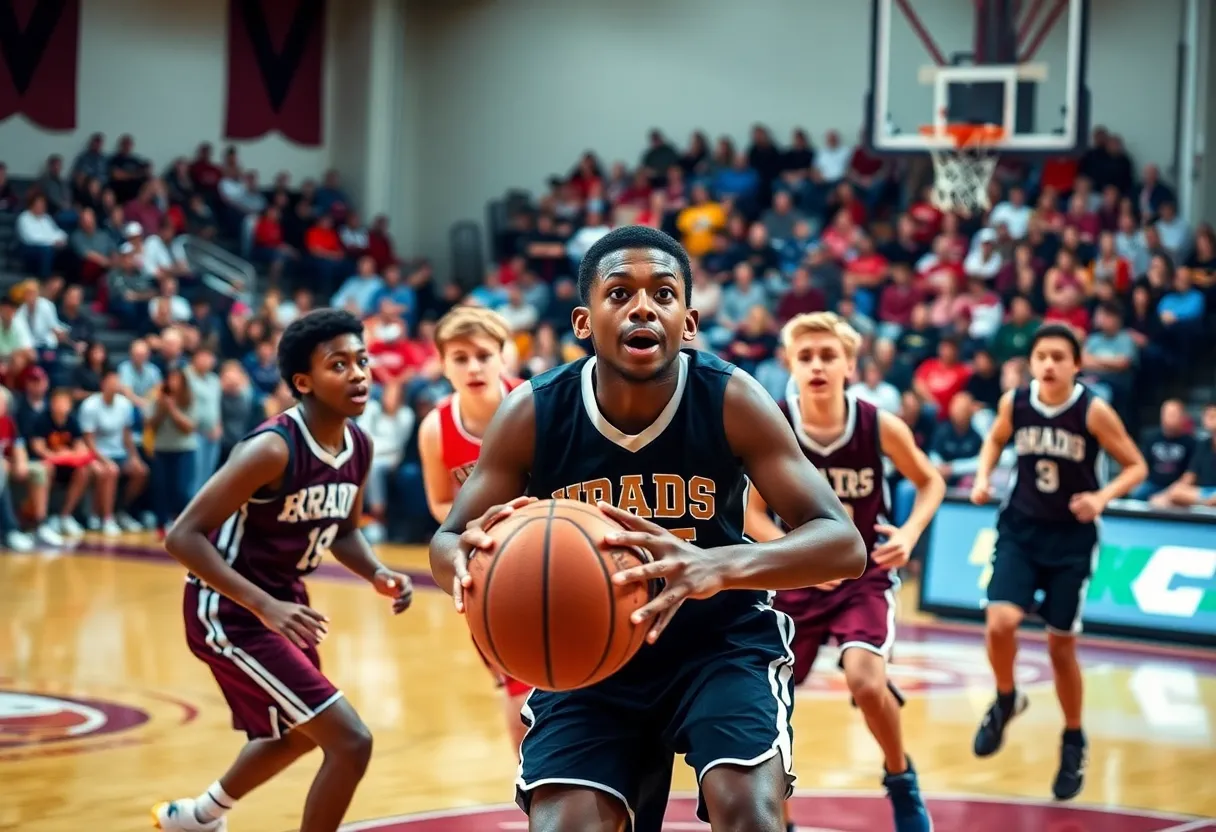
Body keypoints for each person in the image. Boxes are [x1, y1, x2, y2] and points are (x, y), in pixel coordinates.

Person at [429, 226, 867, 832]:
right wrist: (468, 561)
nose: (642, 307)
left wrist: (715, 566)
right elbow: (447, 538)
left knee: (748, 813)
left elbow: (842, 543)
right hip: (587, 656)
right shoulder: (533, 411)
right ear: (584, 322)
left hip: (720, 643)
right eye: (619, 293)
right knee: (565, 827)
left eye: (663, 294)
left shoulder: (731, 399)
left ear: (688, 322)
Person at [152, 309, 414, 832]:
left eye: (362, 361)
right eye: (338, 365)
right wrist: (264, 606)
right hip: (229, 609)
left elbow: (343, 530)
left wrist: (377, 572)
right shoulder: (272, 449)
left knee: (298, 733)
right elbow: (182, 536)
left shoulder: (358, 445)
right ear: (303, 382)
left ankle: (199, 817)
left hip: (284, 603)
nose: (358, 374)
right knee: (351, 741)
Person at [744, 312, 944, 832]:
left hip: (863, 576)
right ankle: (780, 817)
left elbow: (931, 482)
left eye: (828, 356)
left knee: (865, 680)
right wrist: (797, 556)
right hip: (795, 582)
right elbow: (752, 514)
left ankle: (900, 777)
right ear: (789, 364)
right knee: (770, 706)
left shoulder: (879, 424)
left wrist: (909, 534)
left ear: (850, 366)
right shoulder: (774, 424)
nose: (817, 365)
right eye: (806, 356)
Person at [969, 322, 1147, 801]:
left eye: (1058, 357)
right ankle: (1007, 698)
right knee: (1000, 622)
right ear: (1031, 362)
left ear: (1076, 364)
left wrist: (1101, 497)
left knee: (1059, 647)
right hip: (1021, 529)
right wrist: (984, 476)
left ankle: (1073, 738)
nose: (1048, 365)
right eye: (1041, 356)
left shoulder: (1093, 410)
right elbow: (995, 440)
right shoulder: (1015, 403)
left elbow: (1136, 465)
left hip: (1071, 538)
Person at [416, 305, 531, 752]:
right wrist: (488, 531)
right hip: (489, 568)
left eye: (483, 355)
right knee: (518, 691)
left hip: (551, 551)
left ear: (504, 357)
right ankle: (530, 782)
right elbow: (440, 503)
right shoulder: (435, 428)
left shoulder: (535, 404)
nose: (474, 367)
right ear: (443, 365)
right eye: (460, 358)